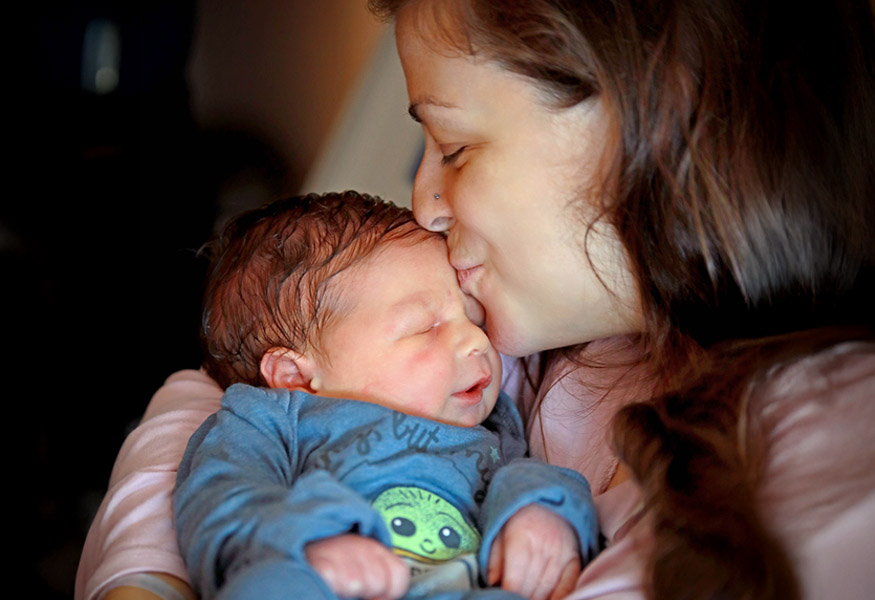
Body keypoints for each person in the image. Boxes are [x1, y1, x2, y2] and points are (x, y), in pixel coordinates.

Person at [76, 1, 875, 599]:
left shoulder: (839, 433)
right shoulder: (525, 353)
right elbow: (215, 395)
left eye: (453, 146)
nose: (424, 204)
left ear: (662, 114)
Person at [173, 191, 598, 600]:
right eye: (425, 327)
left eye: (473, 318)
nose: (476, 341)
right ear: (295, 377)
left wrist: (542, 512)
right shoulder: (273, 418)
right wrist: (305, 541)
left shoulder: (494, 423)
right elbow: (219, 494)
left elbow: (528, 472)